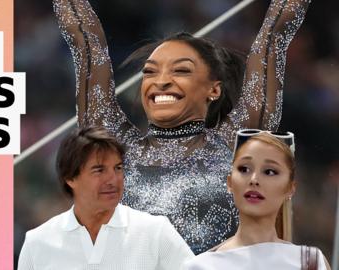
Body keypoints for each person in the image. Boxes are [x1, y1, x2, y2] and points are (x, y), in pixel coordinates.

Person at [53, 0, 311, 253]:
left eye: (181, 71)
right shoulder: (115, 149)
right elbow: (86, 42)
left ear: (214, 89)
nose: (162, 81)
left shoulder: (235, 145)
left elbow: (274, 35)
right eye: (150, 72)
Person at [17, 126, 194, 270]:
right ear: (70, 178)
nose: (113, 180)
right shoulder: (37, 242)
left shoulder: (155, 231)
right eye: (99, 170)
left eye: (118, 168)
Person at [184, 130, 331, 270]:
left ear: (290, 188)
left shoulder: (310, 263)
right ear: (229, 182)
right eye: (244, 169)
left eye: (270, 171)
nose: (254, 180)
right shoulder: (202, 266)